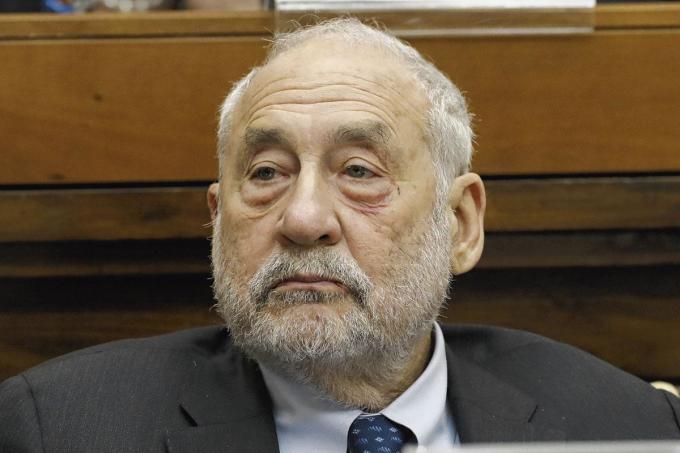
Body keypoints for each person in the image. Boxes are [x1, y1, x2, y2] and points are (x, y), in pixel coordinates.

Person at [1, 18, 678, 453]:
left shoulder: (624, 425)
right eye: (266, 173)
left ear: (461, 225)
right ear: (217, 219)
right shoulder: (58, 429)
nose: (302, 219)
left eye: (359, 171)